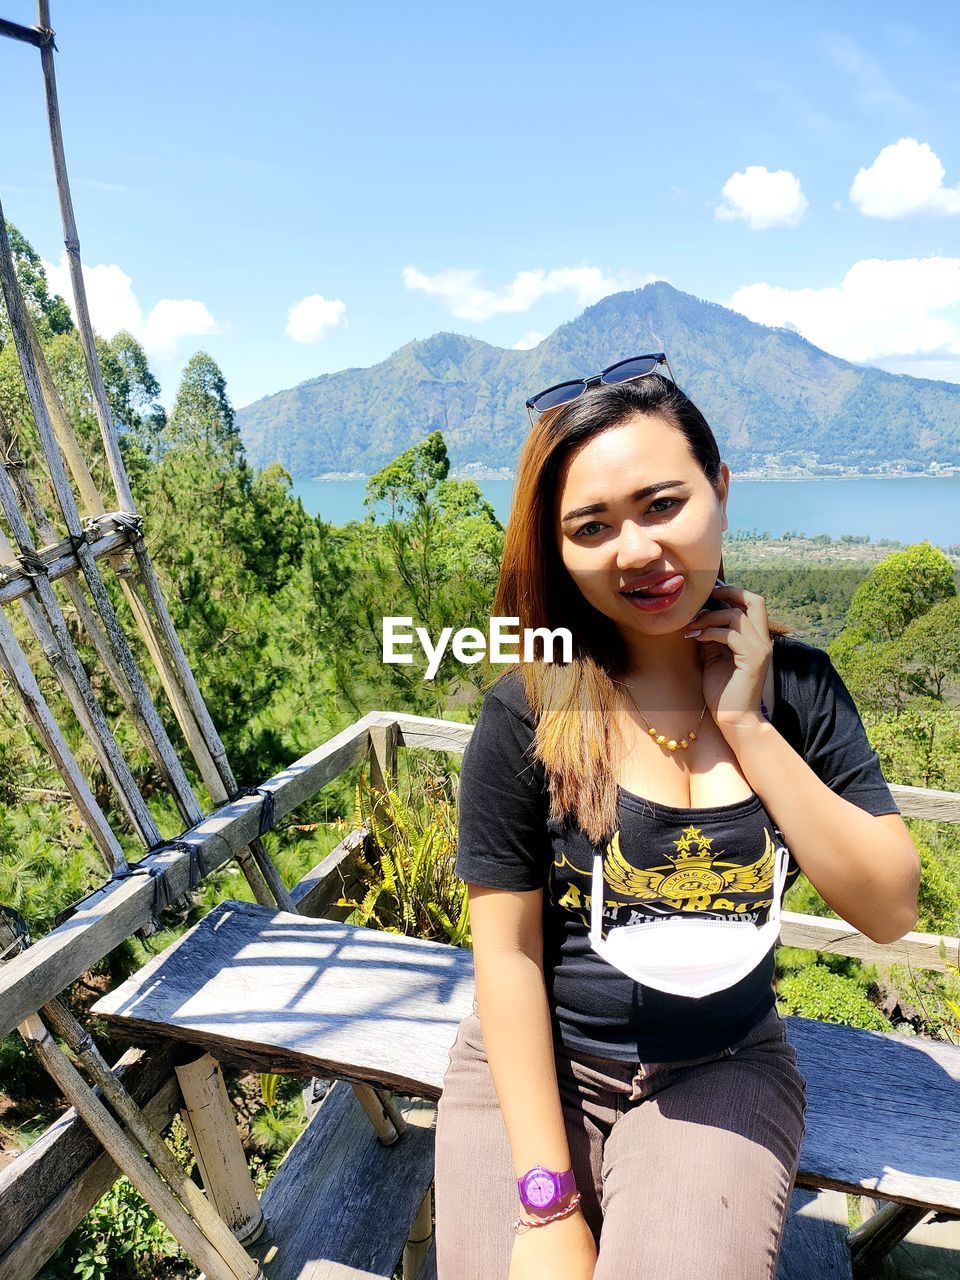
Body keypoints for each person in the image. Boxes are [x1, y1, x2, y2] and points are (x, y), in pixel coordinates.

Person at [432, 356, 921, 1280]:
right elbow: (508, 953)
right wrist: (546, 1206)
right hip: (539, 1065)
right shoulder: (531, 709)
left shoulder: (800, 690)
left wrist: (745, 724)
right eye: (593, 527)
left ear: (720, 491)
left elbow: (890, 907)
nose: (635, 551)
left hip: (721, 1064)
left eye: (663, 505)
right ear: (560, 550)